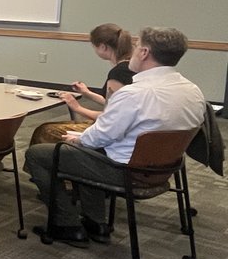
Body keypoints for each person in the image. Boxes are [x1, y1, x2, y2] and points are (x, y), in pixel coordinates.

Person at [22, 27, 205, 246]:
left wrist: (79, 138)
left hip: (125, 171)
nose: (133, 50)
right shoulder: (193, 91)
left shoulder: (133, 94)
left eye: (137, 46)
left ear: (144, 52)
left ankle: (66, 224)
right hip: (164, 170)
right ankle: (96, 223)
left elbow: (100, 136)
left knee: (38, 154)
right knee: (85, 152)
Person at [31, 24, 135, 145]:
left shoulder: (118, 73)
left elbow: (110, 117)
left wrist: (77, 108)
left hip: (114, 134)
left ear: (103, 47)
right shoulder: (130, 67)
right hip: (125, 130)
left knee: (44, 131)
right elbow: (114, 103)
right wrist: (87, 93)